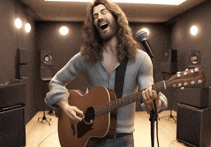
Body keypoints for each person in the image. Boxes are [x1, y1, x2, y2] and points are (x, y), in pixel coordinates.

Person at [45, 0, 168, 146]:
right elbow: (56, 81)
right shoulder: (86, 57)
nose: (99, 17)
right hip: (88, 137)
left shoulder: (141, 59)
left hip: (122, 140)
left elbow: (150, 94)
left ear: (117, 18)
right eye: (95, 16)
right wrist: (65, 106)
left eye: (104, 12)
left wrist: (154, 103)